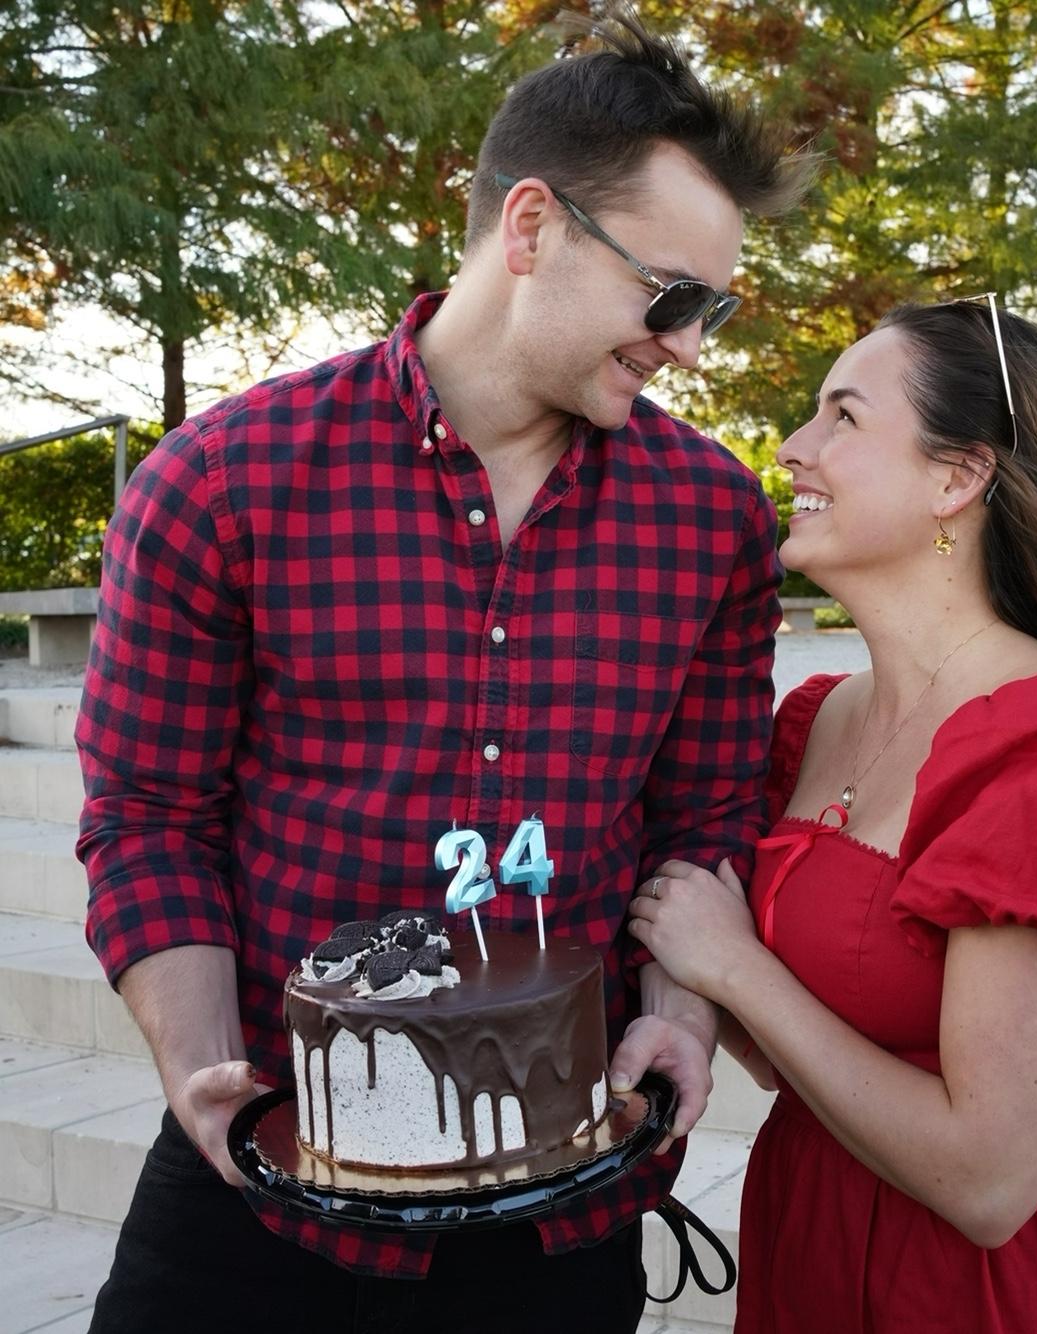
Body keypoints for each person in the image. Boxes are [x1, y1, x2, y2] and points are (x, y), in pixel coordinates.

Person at [75, 10, 814, 1332]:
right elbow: (146, 821)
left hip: (561, 1217)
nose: (690, 346)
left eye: (716, 306)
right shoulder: (223, 482)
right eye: (671, 296)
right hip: (263, 1197)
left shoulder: (711, 519)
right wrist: (201, 1075)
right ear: (530, 227)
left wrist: (683, 1025)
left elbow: (702, 822)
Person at [629, 297, 1037, 1333]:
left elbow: (988, 1182)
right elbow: (803, 1034)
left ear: (956, 476)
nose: (794, 448)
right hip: (810, 1241)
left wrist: (733, 965)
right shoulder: (813, 723)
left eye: (841, 417)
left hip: (974, 1294)